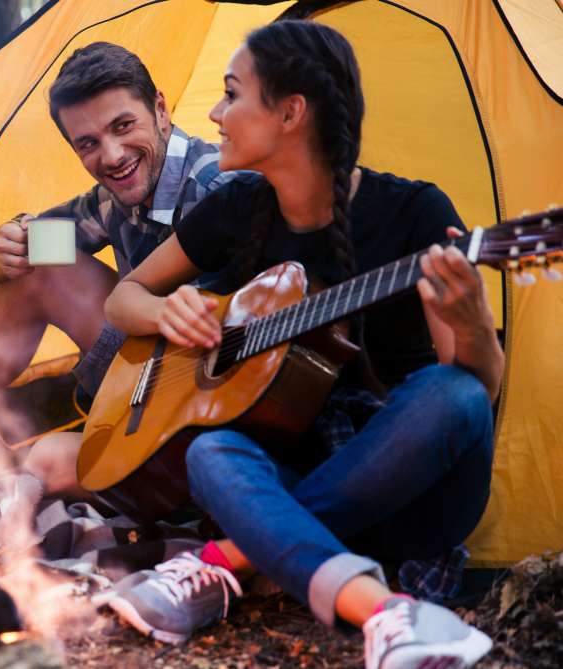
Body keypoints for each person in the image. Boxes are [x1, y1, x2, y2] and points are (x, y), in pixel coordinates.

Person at [100, 20, 501, 669]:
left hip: (411, 494)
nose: (215, 111)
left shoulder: (416, 213)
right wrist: (165, 309)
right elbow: (123, 297)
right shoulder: (236, 209)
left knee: (452, 393)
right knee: (211, 452)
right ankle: (386, 611)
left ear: (290, 113)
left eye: (232, 94)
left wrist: (475, 321)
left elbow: (472, 391)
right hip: (294, 477)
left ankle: (230, 557)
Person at [0, 42, 243, 499]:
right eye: (87, 144)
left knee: (48, 461)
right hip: (142, 374)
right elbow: (31, 245)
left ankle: (12, 467)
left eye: (123, 126)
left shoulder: (220, 190)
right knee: (40, 266)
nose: (111, 156)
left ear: (161, 110)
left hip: (210, 400)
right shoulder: (112, 202)